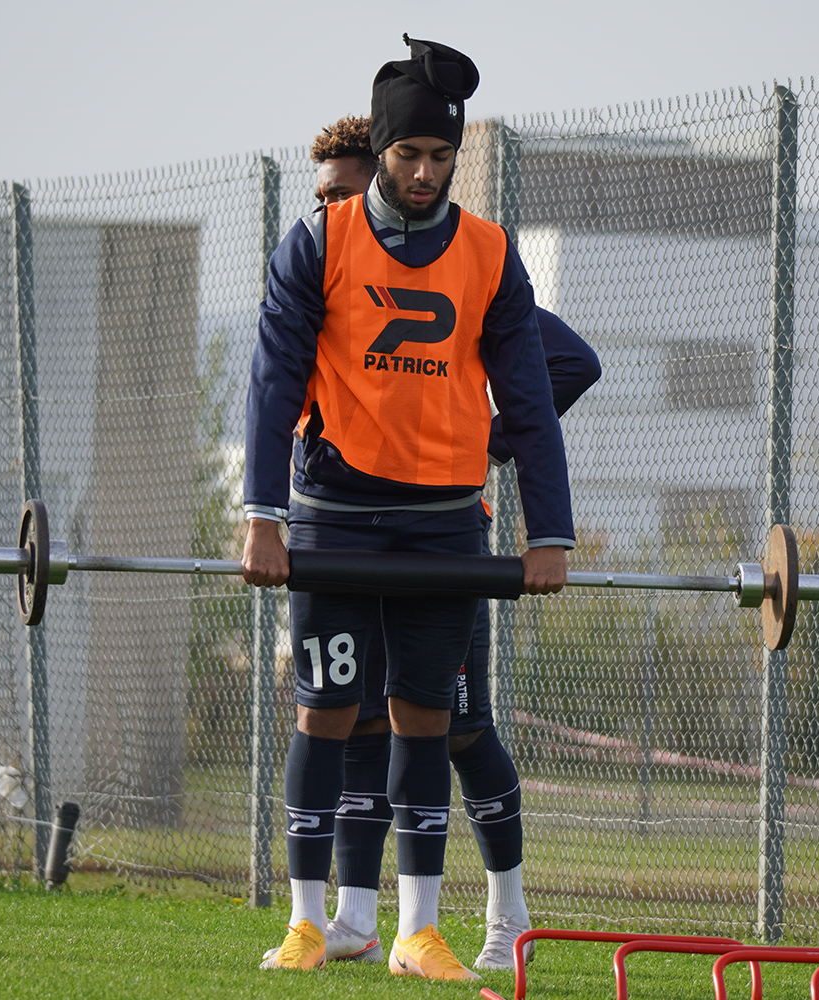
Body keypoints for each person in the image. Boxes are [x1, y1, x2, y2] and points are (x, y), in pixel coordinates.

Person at [242, 36, 576, 981]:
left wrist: (546, 532)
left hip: (442, 524)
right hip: (336, 517)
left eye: (441, 157)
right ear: (382, 152)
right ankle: (309, 922)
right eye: (407, 156)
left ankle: (416, 931)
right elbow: (273, 385)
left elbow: (529, 398)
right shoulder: (318, 242)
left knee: (427, 719)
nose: (425, 174)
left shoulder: (490, 254)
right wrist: (262, 516)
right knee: (326, 712)